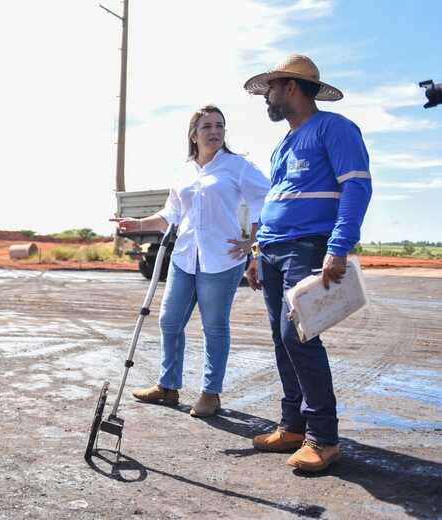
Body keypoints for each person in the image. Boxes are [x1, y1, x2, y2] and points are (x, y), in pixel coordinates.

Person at [243, 55, 372, 472]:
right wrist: (257, 252)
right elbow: (276, 199)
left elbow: (357, 187)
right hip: (273, 250)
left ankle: (324, 438)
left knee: (297, 335)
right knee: (282, 339)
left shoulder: (334, 128)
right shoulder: (283, 143)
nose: (267, 97)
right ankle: (293, 425)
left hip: (308, 246)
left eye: (271, 88)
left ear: (291, 87)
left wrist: (339, 246)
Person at [113, 105, 270, 417]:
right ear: (193, 135)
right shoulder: (185, 171)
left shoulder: (237, 166)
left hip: (222, 259)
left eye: (219, 126)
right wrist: (138, 224)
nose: (214, 132)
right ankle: (168, 386)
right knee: (169, 321)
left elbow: (265, 200)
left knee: (214, 327)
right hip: (184, 257)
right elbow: (171, 214)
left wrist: (253, 242)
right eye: (207, 126)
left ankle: (210, 394)